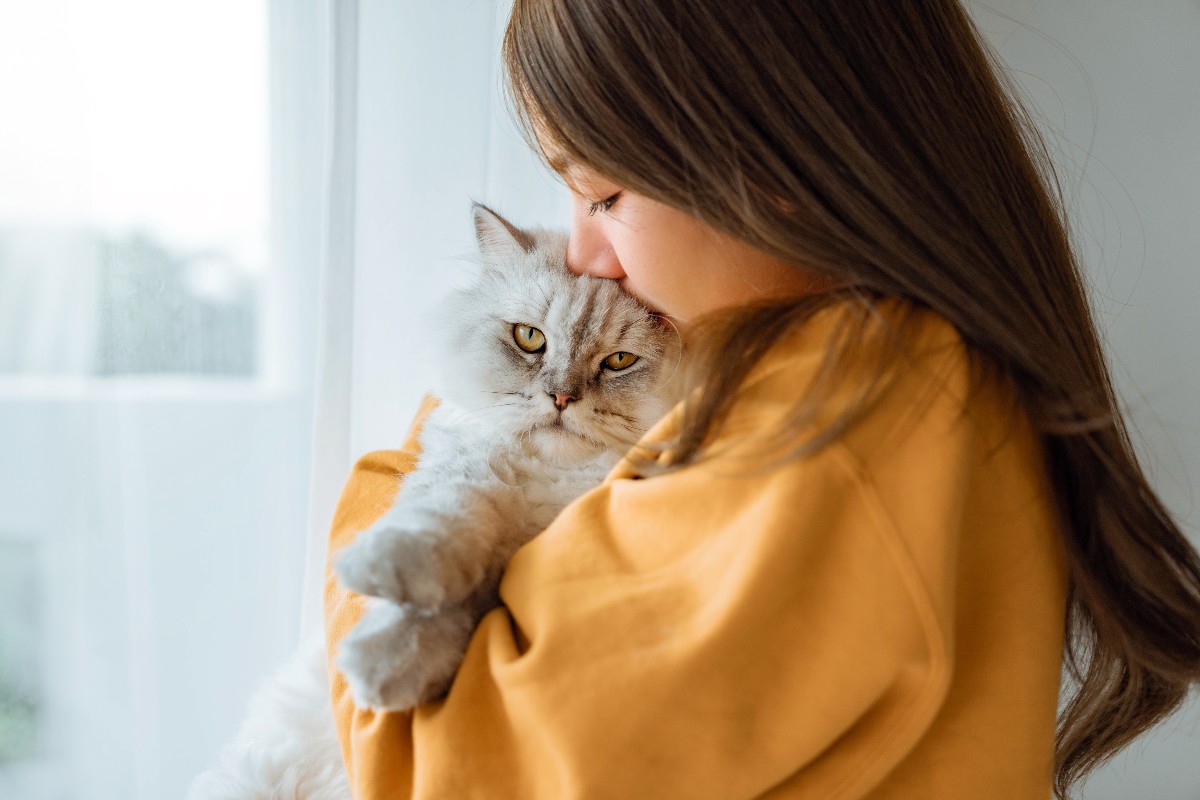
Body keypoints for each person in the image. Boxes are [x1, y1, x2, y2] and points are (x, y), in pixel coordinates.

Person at [323, 1, 1200, 798]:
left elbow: (438, 770)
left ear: (769, 160)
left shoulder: (852, 399)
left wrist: (393, 485)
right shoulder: (900, 378)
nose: (586, 255)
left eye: (603, 195)